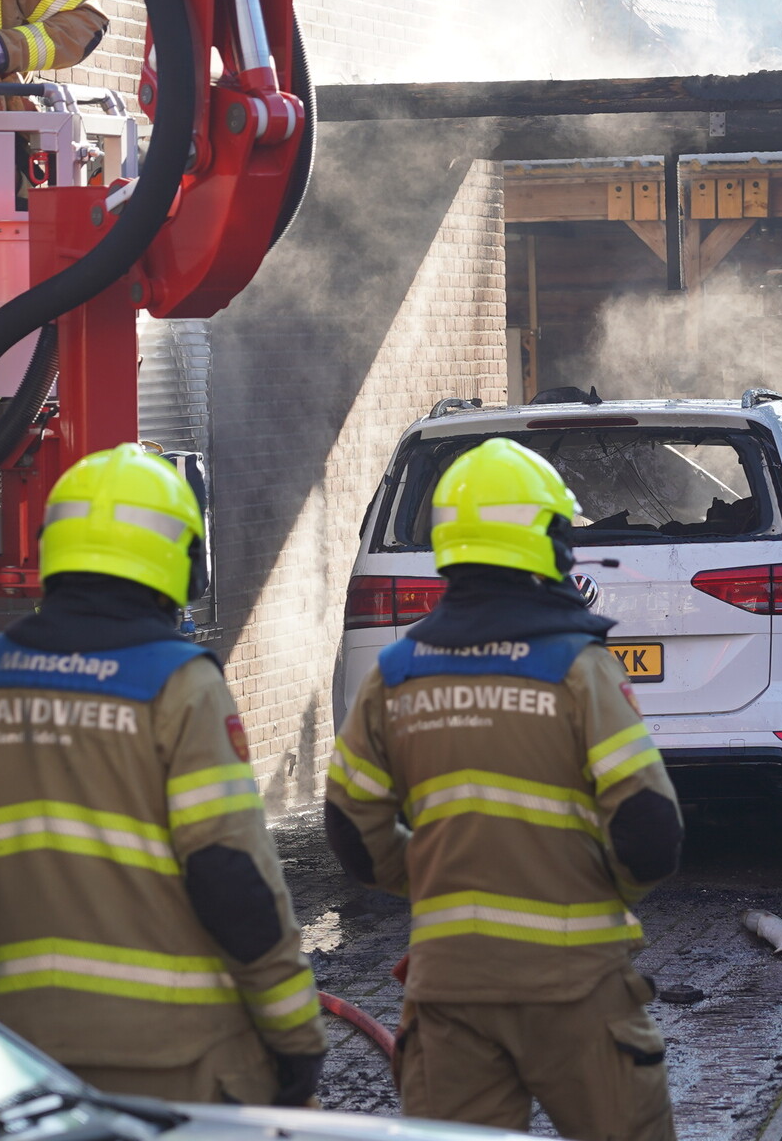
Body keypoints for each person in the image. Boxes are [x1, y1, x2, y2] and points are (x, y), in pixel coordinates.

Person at [0, 444, 327, 1105]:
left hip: (29, 1062)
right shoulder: (180, 688)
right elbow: (232, 882)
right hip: (178, 1062)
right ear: (183, 560)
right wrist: (295, 1033)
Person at [326, 437, 681, 1141]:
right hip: (577, 991)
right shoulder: (581, 672)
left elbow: (349, 833)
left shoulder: (395, 675)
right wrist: (590, 888)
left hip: (450, 994)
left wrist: (440, 875)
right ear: (544, 543)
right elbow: (650, 833)